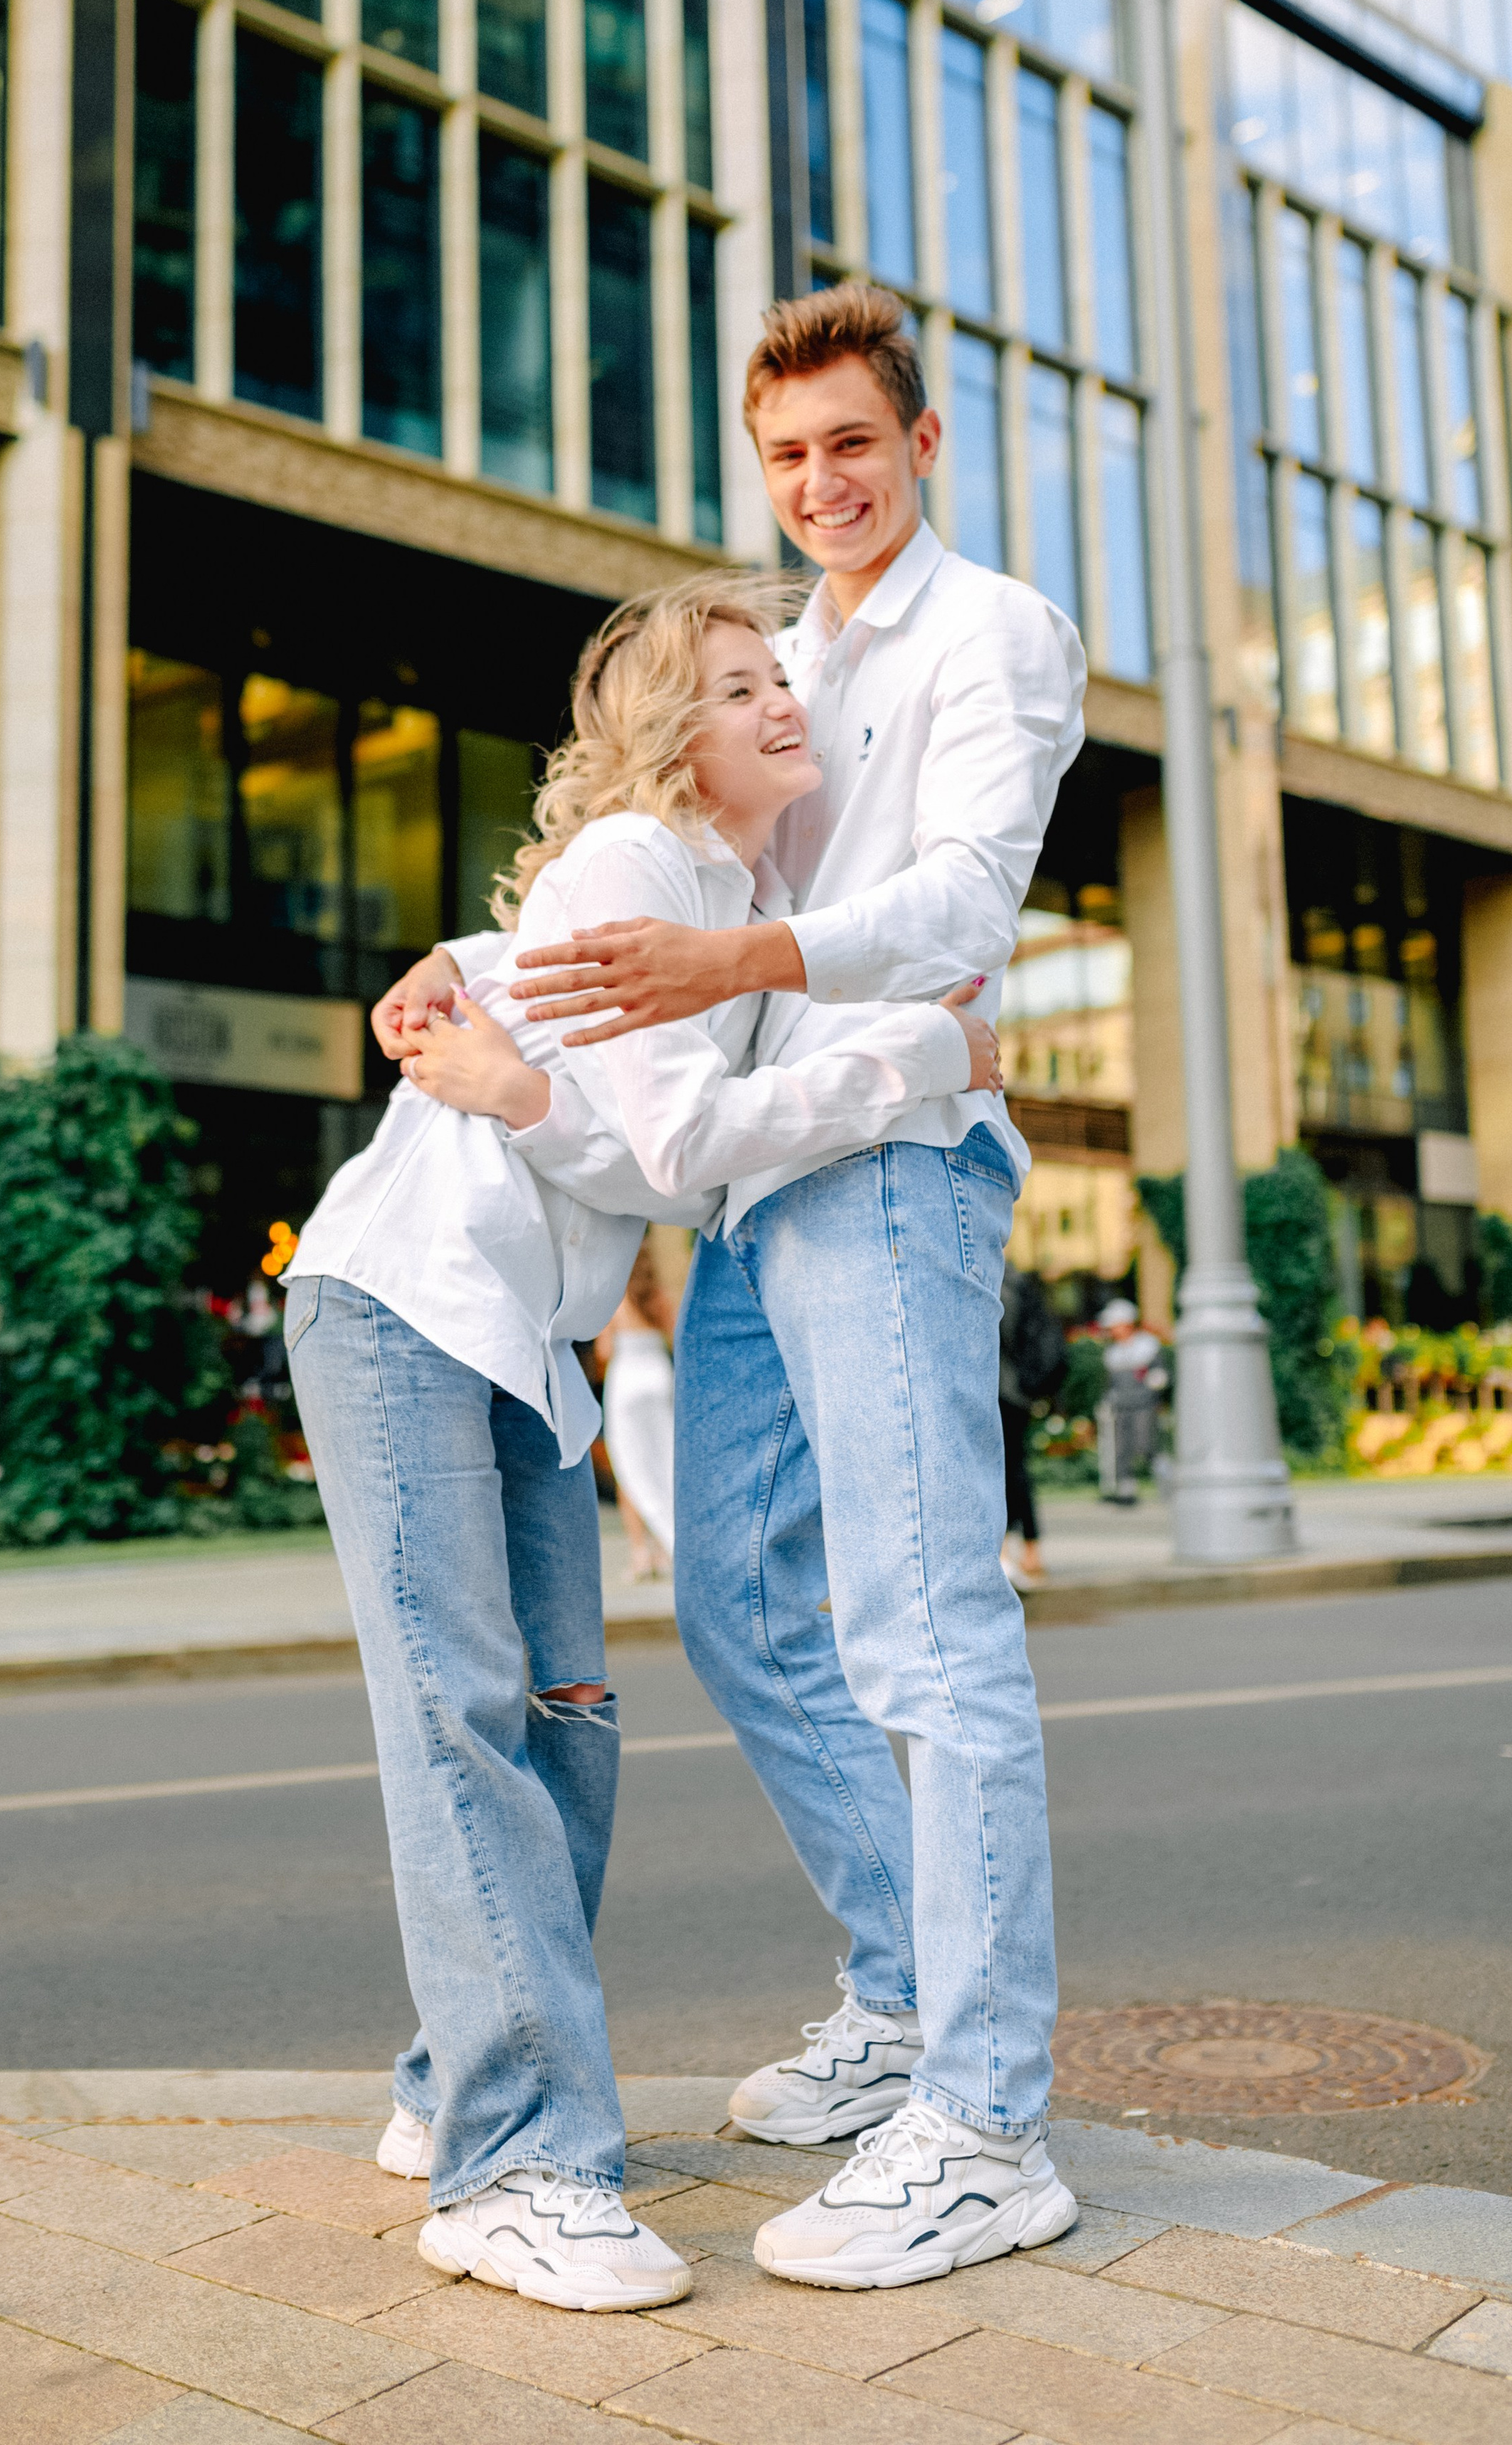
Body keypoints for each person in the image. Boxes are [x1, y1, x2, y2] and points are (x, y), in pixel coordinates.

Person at [381, 281, 1089, 2290]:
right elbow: (657, 853)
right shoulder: (782, 654)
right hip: (764, 1202)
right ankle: (899, 1999)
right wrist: (470, 969)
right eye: (786, 457)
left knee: (926, 1632)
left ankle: (984, 2120)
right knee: (740, 1603)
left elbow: (961, 902)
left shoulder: (992, 634)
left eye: (852, 444)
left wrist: (751, 978)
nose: (820, 484)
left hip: (889, 1164)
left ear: (921, 443)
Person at [284, 570, 1000, 2313]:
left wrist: (489, 1019)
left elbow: (582, 1068)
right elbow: (675, 1150)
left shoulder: (727, 899)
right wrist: (922, 1052)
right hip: (401, 1311)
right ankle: (515, 2161)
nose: (782, 707)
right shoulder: (639, 867)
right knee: (466, 1714)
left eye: (786, 681)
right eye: (741, 684)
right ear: (674, 727)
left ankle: (450, 2073)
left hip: (525, 1346)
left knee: (566, 1729)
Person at [596, 1241, 676, 1577]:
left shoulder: (614, 1301)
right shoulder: (660, 1297)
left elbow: (603, 1351)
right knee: (663, 1462)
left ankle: (641, 1554)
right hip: (658, 1374)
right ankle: (667, 1548)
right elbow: (675, 1338)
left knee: (630, 1464)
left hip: (627, 1378)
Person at [999, 1260, 1069, 1587]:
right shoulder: (1022, 1283)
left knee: (998, 1471)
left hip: (997, 1391)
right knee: (1016, 1469)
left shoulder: (993, 1284)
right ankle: (1031, 1552)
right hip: (1017, 1395)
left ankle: (1004, 1554)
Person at [1096, 1294, 1168, 1504]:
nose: (1112, 1331)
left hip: (1144, 1405)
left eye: (1115, 1326)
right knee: (1121, 1449)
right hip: (1121, 1407)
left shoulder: (1148, 1347)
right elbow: (1111, 1383)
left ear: (1126, 1324)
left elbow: (1159, 1375)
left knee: (1147, 1445)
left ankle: (1167, 1486)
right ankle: (1126, 1491)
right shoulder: (1113, 1353)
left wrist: (1154, 1384)